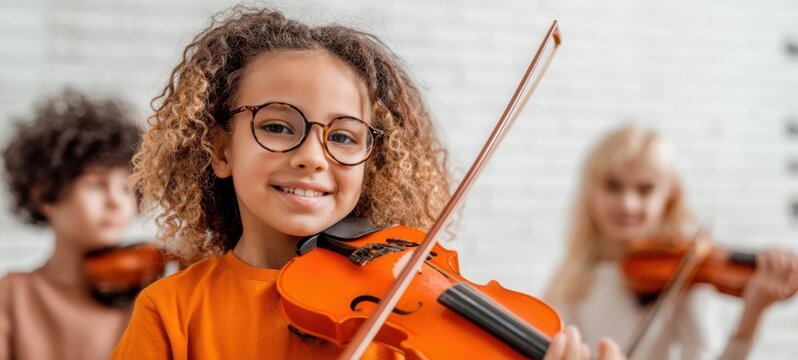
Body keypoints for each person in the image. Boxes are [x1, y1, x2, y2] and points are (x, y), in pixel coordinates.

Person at [111, 6, 625, 360]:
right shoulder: (172, 311)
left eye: (344, 137)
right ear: (221, 149)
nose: (313, 157)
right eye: (276, 126)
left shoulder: (402, 312)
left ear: (370, 161)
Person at [545, 124, 798, 359]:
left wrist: (752, 314)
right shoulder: (573, 276)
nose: (627, 203)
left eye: (645, 189)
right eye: (613, 186)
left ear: (668, 198)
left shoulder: (684, 275)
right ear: (591, 192)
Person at [0, 89, 141, 360]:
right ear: (43, 193)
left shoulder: (149, 294)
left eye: (126, 187)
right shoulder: (11, 296)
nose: (116, 202)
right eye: (96, 185)